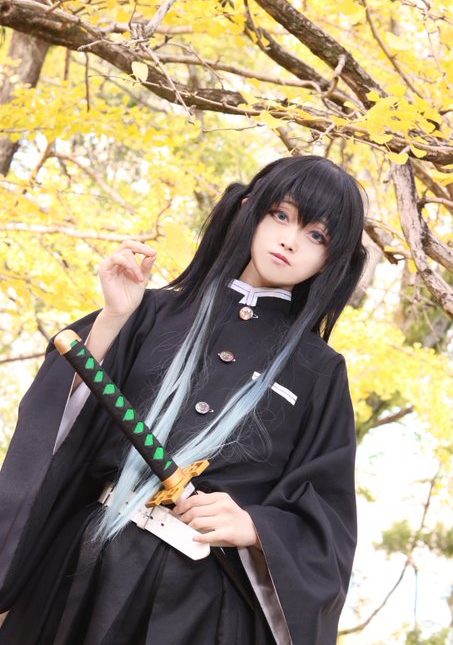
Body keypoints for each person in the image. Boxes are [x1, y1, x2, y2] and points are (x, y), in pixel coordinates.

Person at [0, 155, 367, 645]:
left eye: (317, 235)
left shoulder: (320, 370)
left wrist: (255, 526)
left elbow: (328, 519)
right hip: (81, 571)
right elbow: (59, 423)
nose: (290, 240)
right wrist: (114, 318)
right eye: (281, 214)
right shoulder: (151, 310)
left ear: (331, 260)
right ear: (249, 208)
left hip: (199, 607)